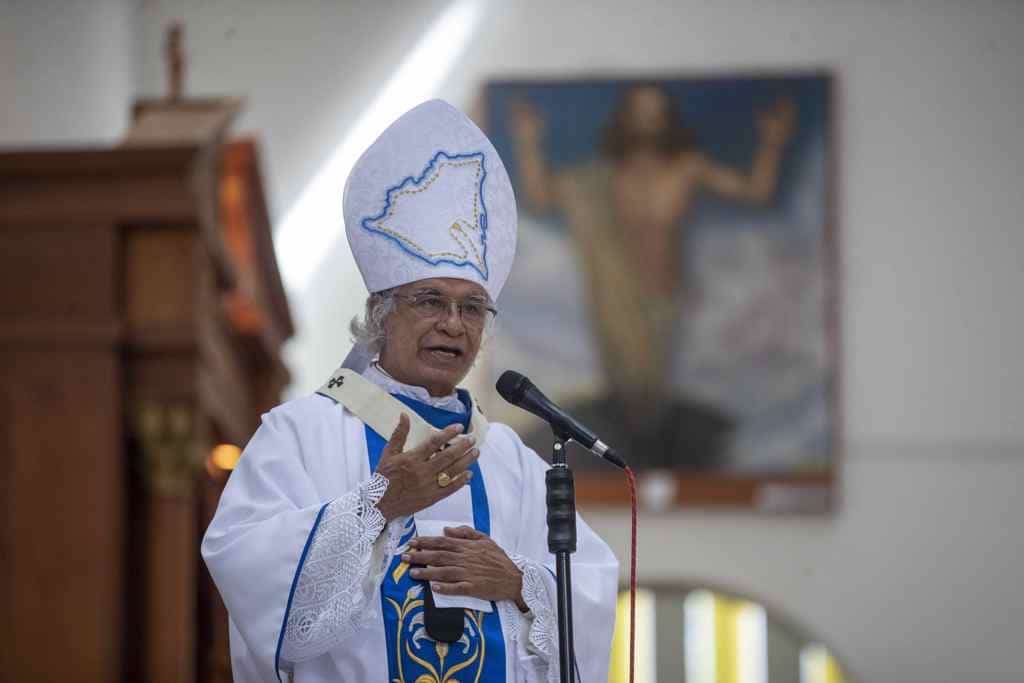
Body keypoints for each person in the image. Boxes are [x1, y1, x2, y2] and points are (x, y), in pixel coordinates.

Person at [202, 100, 619, 682]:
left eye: (472, 308)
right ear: (381, 314)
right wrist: (379, 503)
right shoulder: (300, 434)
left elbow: (592, 591)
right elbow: (246, 567)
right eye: (430, 301)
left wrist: (520, 583)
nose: (454, 323)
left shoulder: (509, 462)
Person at [510, 84, 796, 468]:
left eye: (656, 113)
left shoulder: (685, 169)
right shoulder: (599, 178)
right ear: (625, 120)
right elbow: (540, 197)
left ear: (667, 122)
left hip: (665, 295)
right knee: (627, 389)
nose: (647, 123)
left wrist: (772, 142)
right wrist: (529, 141)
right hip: (615, 294)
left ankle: (652, 459)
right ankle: (627, 460)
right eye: (640, 113)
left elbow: (756, 193)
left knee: (652, 393)